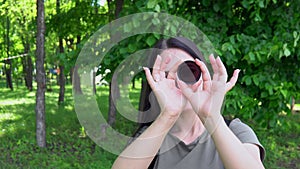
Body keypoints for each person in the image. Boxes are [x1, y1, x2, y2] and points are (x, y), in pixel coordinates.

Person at [112, 37, 265, 169]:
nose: (178, 81)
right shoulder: (150, 137)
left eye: (187, 71)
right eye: (167, 75)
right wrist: (168, 115)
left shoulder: (235, 131)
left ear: (203, 72)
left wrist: (211, 117)